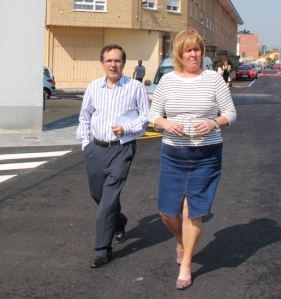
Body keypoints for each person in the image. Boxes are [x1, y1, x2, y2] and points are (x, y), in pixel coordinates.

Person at [148, 28, 236, 290]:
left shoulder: (214, 80)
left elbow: (230, 113)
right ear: (179, 53)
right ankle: (180, 241)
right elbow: (153, 114)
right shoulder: (167, 81)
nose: (193, 54)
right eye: (188, 50)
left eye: (197, 49)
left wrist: (213, 122)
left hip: (206, 155)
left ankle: (186, 264)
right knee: (166, 212)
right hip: (174, 154)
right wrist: (164, 123)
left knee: (191, 212)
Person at [77, 44, 149, 269]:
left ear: (124, 63)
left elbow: (144, 118)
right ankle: (119, 221)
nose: (113, 64)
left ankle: (102, 251)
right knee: (97, 195)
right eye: (109, 60)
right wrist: (86, 144)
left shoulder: (135, 87)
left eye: (117, 60)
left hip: (121, 149)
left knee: (106, 203)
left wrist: (126, 130)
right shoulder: (93, 87)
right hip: (96, 149)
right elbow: (84, 117)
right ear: (102, 63)